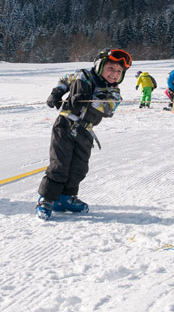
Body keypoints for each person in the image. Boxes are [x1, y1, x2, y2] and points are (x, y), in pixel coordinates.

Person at [38, 49, 132, 220]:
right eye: (111, 68)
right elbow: (65, 80)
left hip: (86, 131)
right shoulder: (82, 76)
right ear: (99, 65)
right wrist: (56, 92)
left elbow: (108, 108)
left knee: (79, 167)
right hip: (65, 124)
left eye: (119, 71)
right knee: (60, 164)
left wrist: (88, 100)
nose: (114, 74)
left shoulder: (114, 92)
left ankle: (66, 198)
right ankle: (47, 199)